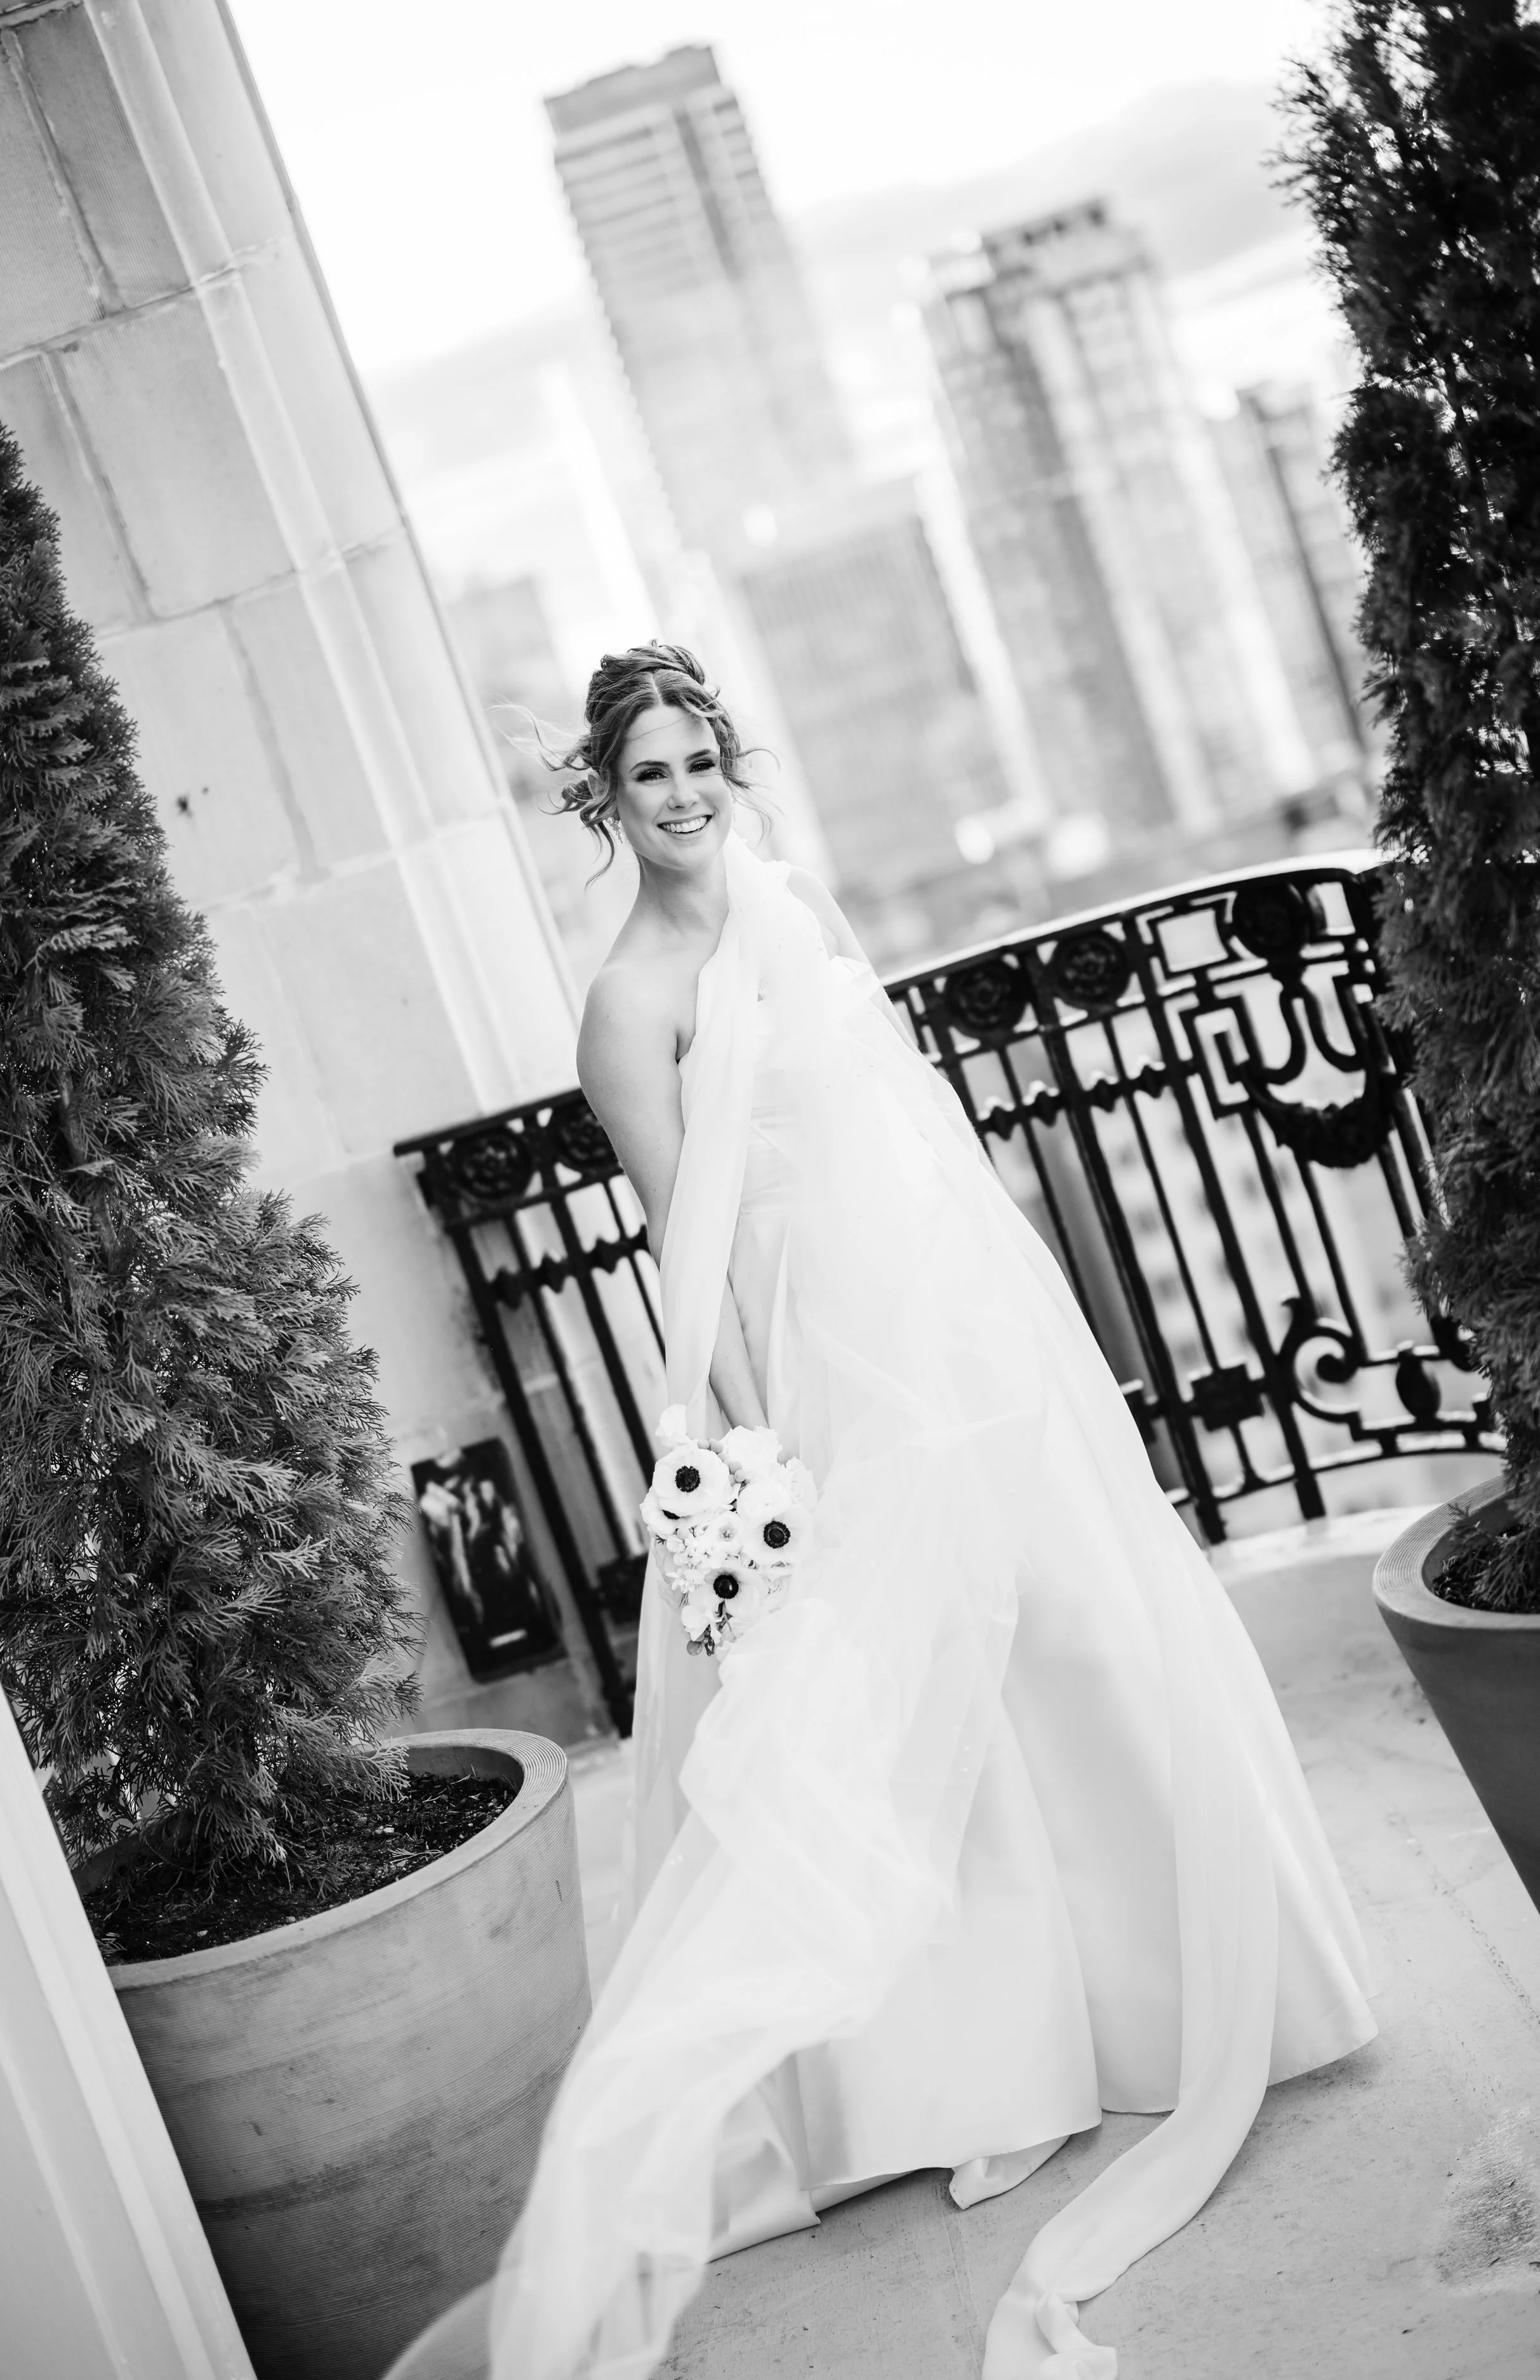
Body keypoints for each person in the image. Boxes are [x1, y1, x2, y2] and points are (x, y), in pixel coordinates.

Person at [488, 645, 1376, 2380]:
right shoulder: (626, 1000)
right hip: (829, 1376)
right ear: (604, 800)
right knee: (930, 1738)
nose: (678, 793)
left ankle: (1194, 1991)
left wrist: (1016, 1316)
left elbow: (908, 1120)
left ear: (727, 766)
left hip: (958, 1330)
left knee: (1073, 1640)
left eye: (696, 760)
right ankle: (995, 2071)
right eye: (645, 773)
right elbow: (692, 1253)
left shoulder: (788, 899)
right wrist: (755, 1455)